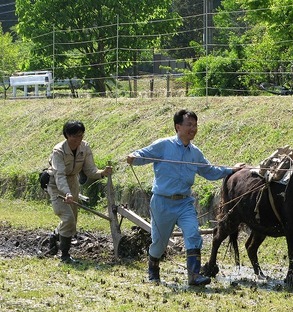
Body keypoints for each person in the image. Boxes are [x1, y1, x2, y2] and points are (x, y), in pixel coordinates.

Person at [126, 109, 245, 286]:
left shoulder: (195, 153)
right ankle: (153, 269)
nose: (193, 128)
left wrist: (231, 170)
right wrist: (134, 157)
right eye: (189, 124)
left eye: (195, 125)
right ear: (178, 126)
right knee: (159, 243)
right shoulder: (163, 145)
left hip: (184, 203)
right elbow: (143, 155)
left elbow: (209, 171)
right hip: (162, 202)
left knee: (193, 233)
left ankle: (194, 275)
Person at [46, 120, 113, 263]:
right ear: (67, 136)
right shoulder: (59, 151)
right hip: (56, 184)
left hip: (73, 182)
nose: (78, 140)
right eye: (75, 136)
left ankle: (55, 235)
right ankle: (64, 255)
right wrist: (66, 193)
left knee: (72, 220)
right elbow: (59, 175)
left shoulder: (85, 147)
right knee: (68, 218)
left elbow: (90, 170)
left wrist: (102, 173)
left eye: (81, 136)